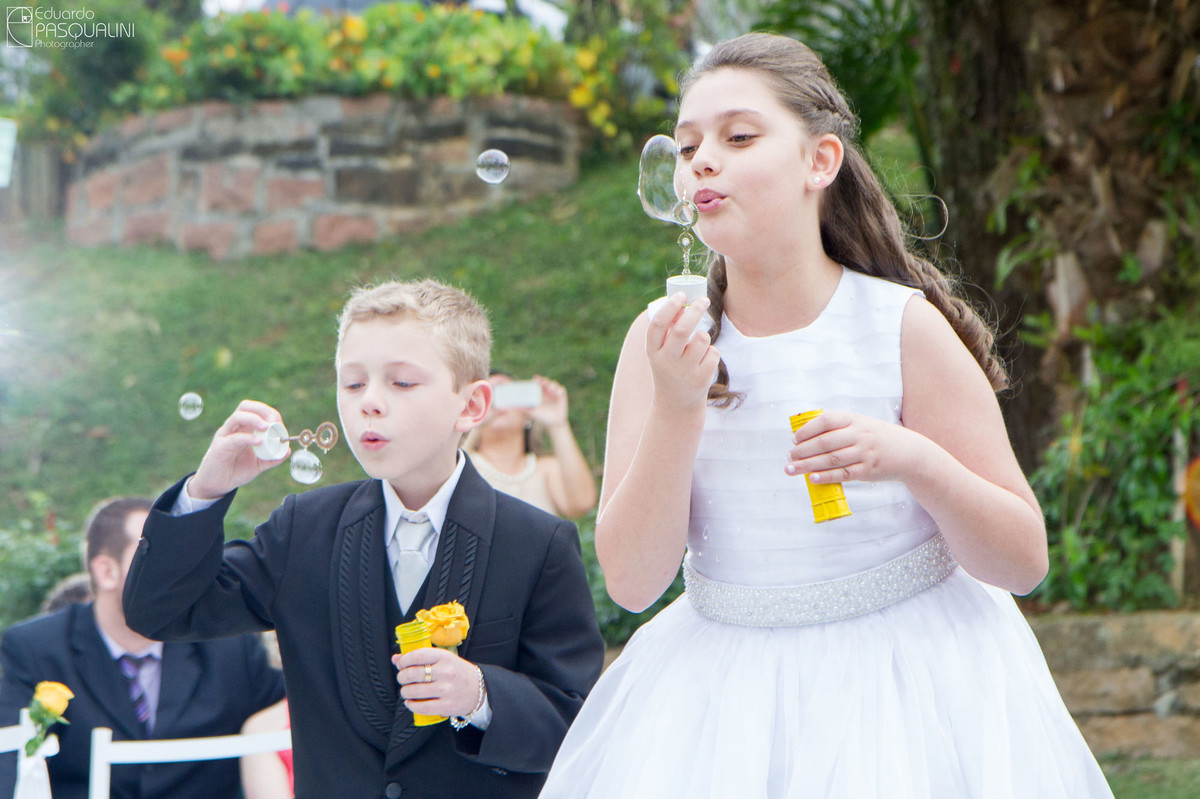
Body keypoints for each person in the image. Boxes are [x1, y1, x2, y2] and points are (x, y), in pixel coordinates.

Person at [540, 33, 1113, 798]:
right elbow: (633, 581)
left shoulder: (901, 327)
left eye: (739, 136)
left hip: (909, 687)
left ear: (821, 162)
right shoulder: (661, 343)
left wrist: (910, 457)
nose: (701, 160)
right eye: (685, 146)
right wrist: (678, 406)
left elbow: (1023, 558)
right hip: (724, 706)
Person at [123, 279, 606, 798]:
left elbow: (576, 721)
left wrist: (481, 695)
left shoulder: (536, 542)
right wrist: (207, 490)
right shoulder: (303, 529)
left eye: (401, 383)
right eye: (352, 384)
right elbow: (161, 611)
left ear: (471, 405)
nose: (369, 403)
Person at [0, 496, 285, 799]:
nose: (177, 572)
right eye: (156, 556)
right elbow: (12, 764)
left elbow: (296, 710)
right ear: (105, 571)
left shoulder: (230, 645)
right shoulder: (36, 648)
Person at [466, 372, 598, 517]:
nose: (498, 405)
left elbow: (582, 504)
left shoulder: (545, 469)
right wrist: (474, 421)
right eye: (488, 396)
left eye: (506, 393)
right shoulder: (463, 462)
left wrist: (558, 424)